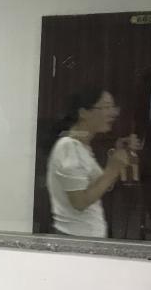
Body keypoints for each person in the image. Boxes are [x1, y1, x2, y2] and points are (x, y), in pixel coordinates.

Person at [46, 87, 139, 237]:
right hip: (75, 239)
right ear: (83, 112)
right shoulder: (68, 147)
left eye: (113, 107)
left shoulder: (82, 146)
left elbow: (96, 187)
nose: (113, 113)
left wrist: (116, 157)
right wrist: (112, 170)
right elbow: (80, 202)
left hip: (85, 237)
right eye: (106, 107)